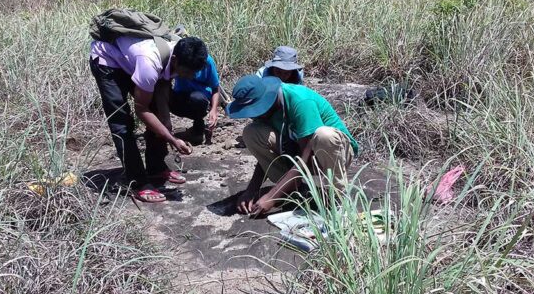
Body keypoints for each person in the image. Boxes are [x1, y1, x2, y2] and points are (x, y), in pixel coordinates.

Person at [89, 35, 209, 203]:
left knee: (157, 115)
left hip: (133, 60)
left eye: (194, 73)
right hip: (107, 60)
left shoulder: (176, 50)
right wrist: (171, 139)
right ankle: (137, 181)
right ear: (174, 60)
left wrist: (166, 119)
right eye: (188, 72)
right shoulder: (149, 63)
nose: (190, 77)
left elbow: (163, 83)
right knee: (121, 123)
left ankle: (156, 167)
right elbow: (141, 109)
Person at [226, 75, 358, 216]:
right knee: (251, 132)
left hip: (334, 152)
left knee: (324, 135)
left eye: (256, 110)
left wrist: (273, 195)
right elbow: (264, 158)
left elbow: (307, 156)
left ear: (266, 99)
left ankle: (336, 195)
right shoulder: (268, 111)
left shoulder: (300, 101)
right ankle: (294, 190)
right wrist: (251, 190)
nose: (253, 116)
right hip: (299, 150)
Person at [170, 54, 221, 145]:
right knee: (164, 95)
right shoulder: (178, 59)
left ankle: (198, 129)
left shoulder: (207, 61)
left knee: (197, 99)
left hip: (199, 98)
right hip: (180, 95)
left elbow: (215, 87)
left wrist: (214, 109)